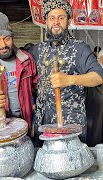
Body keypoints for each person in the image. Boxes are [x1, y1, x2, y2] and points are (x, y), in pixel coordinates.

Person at [29, 0, 103, 141]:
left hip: (70, 124)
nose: (56, 22)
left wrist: (69, 79)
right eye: (52, 18)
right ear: (46, 22)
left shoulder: (79, 48)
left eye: (61, 17)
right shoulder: (37, 49)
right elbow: (13, 56)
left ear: (69, 21)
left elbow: (99, 76)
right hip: (43, 123)